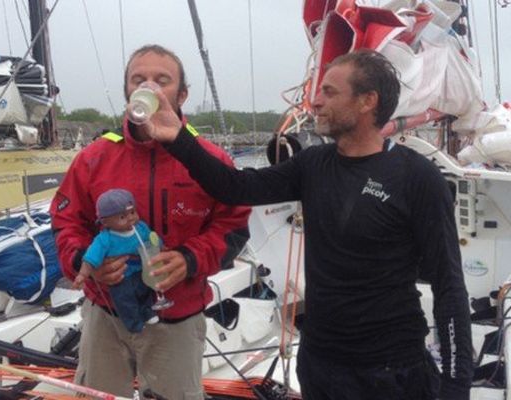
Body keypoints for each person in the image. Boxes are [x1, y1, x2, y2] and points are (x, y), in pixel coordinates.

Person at [146, 50, 473, 400]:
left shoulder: (417, 178)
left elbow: (448, 285)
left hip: (390, 373)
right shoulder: (313, 164)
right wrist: (178, 138)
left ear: (367, 101)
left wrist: (455, 388)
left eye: (329, 92)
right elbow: (235, 187)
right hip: (319, 365)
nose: (315, 102)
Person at [50, 44, 251, 399]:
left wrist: (189, 259)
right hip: (106, 314)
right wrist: (85, 262)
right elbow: (66, 221)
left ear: (182, 94)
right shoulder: (94, 157)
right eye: (138, 79)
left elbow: (233, 228)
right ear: (128, 91)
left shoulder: (210, 160)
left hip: (178, 318)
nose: (149, 87)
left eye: (163, 80)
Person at [73, 188, 159, 334]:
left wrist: (162, 247)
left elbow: (153, 240)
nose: (131, 218)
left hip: (142, 270)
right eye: (122, 217)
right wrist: (82, 274)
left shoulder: (141, 228)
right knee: (125, 301)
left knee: (146, 292)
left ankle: (148, 312)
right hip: (120, 277)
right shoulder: (105, 239)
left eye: (132, 212)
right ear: (105, 222)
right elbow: (90, 258)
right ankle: (134, 324)